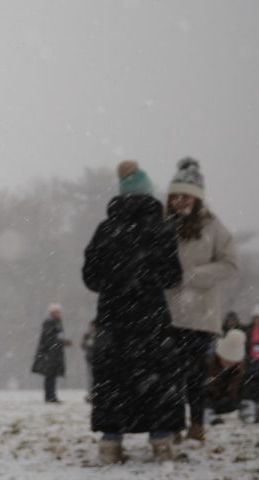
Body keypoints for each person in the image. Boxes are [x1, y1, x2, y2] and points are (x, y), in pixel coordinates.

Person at [82, 161, 184, 463]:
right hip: (151, 317)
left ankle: (111, 441)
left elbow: (90, 277)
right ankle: (161, 439)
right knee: (156, 375)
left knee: (113, 377)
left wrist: (116, 281)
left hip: (114, 317)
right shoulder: (161, 228)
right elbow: (172, 277)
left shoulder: (105, 229)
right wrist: (146, 278)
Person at [162, 158, 238, 442]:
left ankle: (196, 423)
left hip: (199, 314)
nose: (179, 201)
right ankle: (171, 424)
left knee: (193, 373)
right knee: (168, 373)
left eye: (184, 196)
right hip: (166, 313)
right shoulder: (162, 223)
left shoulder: (213, 227)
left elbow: (230, 265)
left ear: (197, 198)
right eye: (174, 196)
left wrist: (192, 275)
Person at [203, 328, 247, 423]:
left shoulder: (239, 370)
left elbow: (238, 390)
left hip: (227, 401)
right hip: (210, 397)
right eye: (225, 360)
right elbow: (205, 387)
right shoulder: (209, 364)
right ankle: (208, 414)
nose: (227, 364)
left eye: (231, 362)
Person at [30, 303, 70, 403]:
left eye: (58, 312)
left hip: (55, 354)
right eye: (56, 312)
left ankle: (52, 396)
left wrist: (62, 342)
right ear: (51, 312)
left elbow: (56, 337)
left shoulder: (58, 322)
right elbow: (49, 339)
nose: (58, 314)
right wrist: (61, 342)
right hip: (49, 354)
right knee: (50, 377)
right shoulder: (49, 323)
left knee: (52, 376)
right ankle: (49, 397)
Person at [80, 321, 97, 402]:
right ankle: (91, 394)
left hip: (97, 359)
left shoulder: (98, 334)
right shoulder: (87, 335)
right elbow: (83, 345)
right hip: (89, 359)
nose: (91, 328)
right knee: (90, 378)